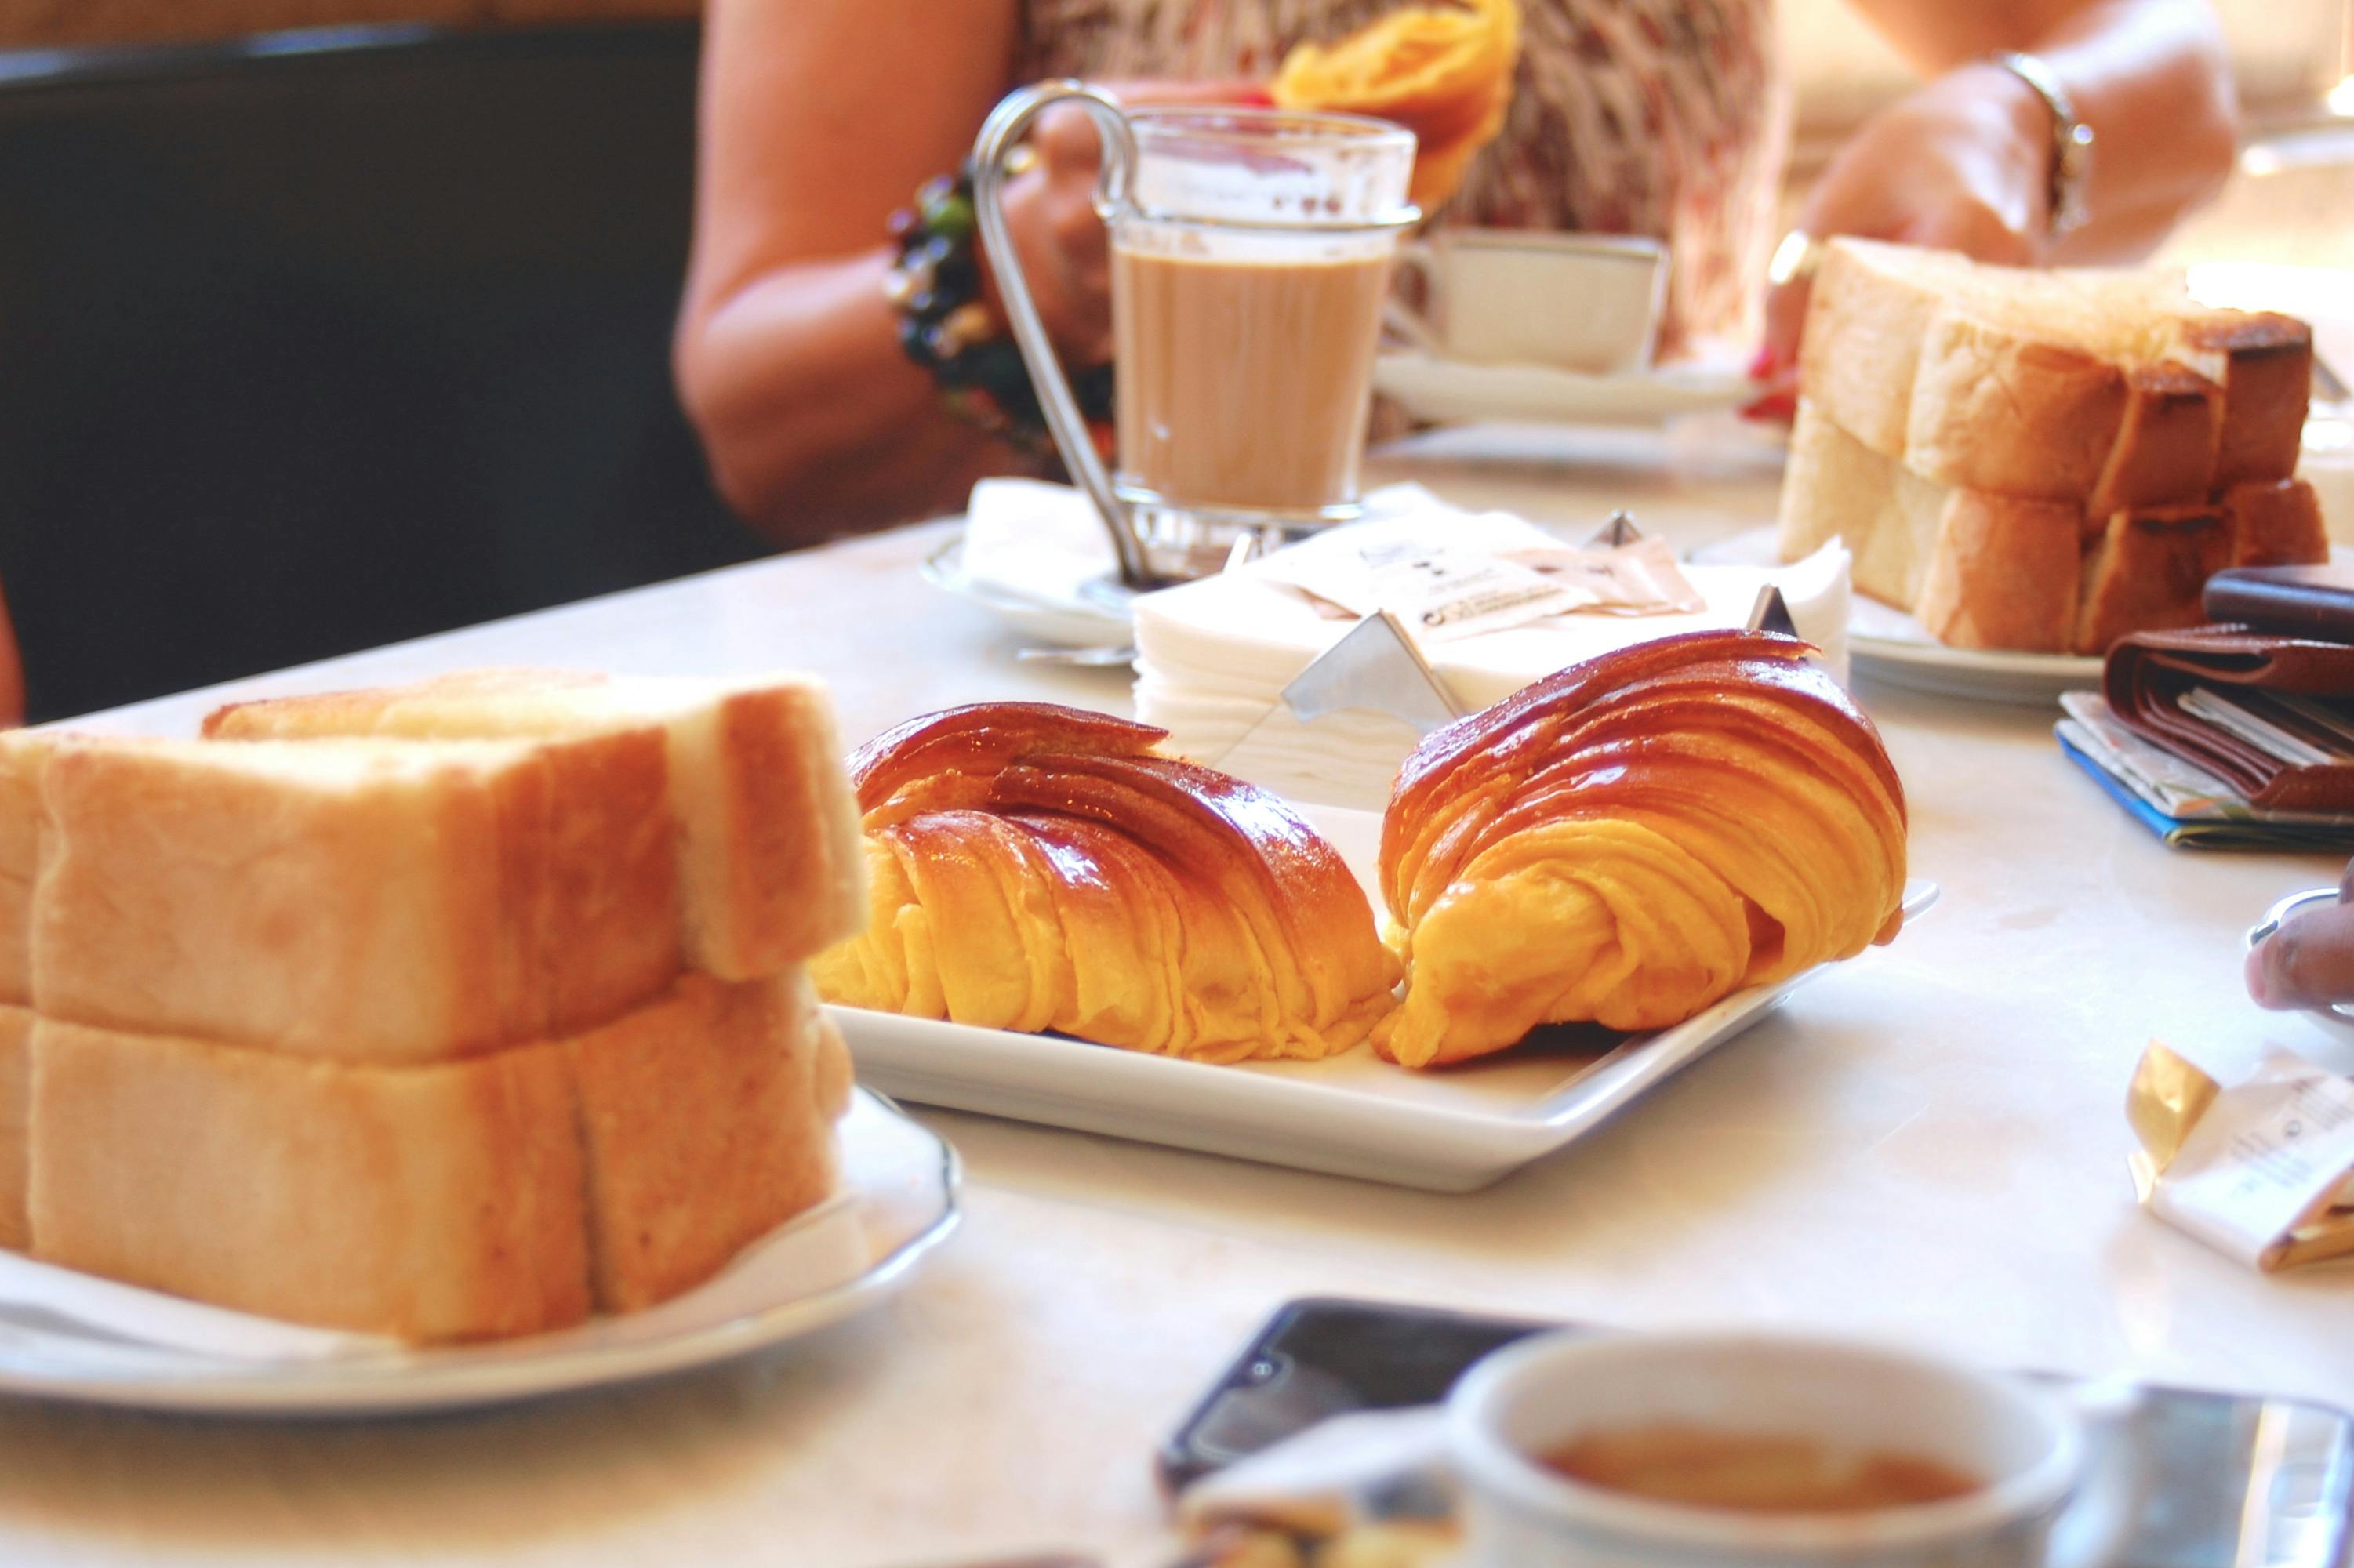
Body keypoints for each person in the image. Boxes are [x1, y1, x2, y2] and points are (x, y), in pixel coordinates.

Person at [675, 0, 2239, 549]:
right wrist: (1032, 266)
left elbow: (2179, 65)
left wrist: (2014, 115)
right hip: (1127, 692)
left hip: (1636, 641)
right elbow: (756, 411)